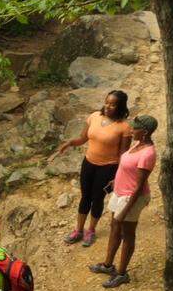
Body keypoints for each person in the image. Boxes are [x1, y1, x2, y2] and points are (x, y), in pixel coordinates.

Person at [51, 90, 132, 247]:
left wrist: (118, 176)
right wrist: (69, 143)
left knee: (97, 198)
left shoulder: (124, 127)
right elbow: (83, 138)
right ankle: (78, 230)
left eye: (113, 104)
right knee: (85, 196)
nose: (108, 106)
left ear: (120, 107)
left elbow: (123, 155)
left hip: (108, 167)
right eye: (107, 102)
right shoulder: (94, 116)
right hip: (88, 163)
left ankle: (91, 230)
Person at [89, 115, 158, 288]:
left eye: (135, 128)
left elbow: (139, 185)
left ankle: (121, 273)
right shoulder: (137, 144)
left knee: (127, 234)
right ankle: (107, 265)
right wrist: (116, 181)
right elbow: (129, 170)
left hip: (131, 198)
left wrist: (126, 209)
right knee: (114, 228)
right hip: (120, 192)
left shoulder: (148, 153)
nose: (131, 130)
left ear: (145, 132)